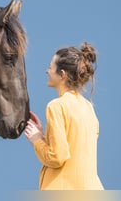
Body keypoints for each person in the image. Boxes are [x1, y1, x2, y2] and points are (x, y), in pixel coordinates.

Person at [24, 42, 104, 190]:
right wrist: (43, 136)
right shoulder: (89, 108)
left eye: (50, 67)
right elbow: (75, 150)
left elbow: (57, 157)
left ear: (62, 74)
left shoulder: (56, 106)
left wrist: (36, 141)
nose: (47, 71)